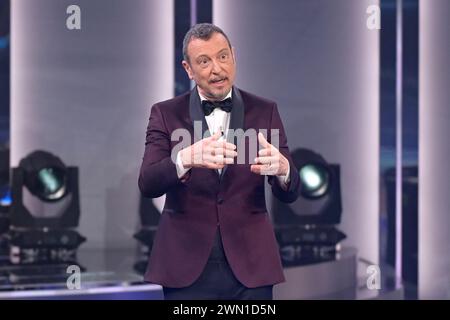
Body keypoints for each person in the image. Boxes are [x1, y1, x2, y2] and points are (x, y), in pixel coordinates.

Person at [138, 23, 300, 300]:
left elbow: (291, 192)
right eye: (204, 61)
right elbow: (148, 183)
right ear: (188, 69)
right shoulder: (165, 114)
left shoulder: (265, 111)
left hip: (252, 268)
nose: (217, 69)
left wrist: (284, 170)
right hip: (185, 266)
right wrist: (184, 159)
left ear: (233, 56)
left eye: (223, 56)